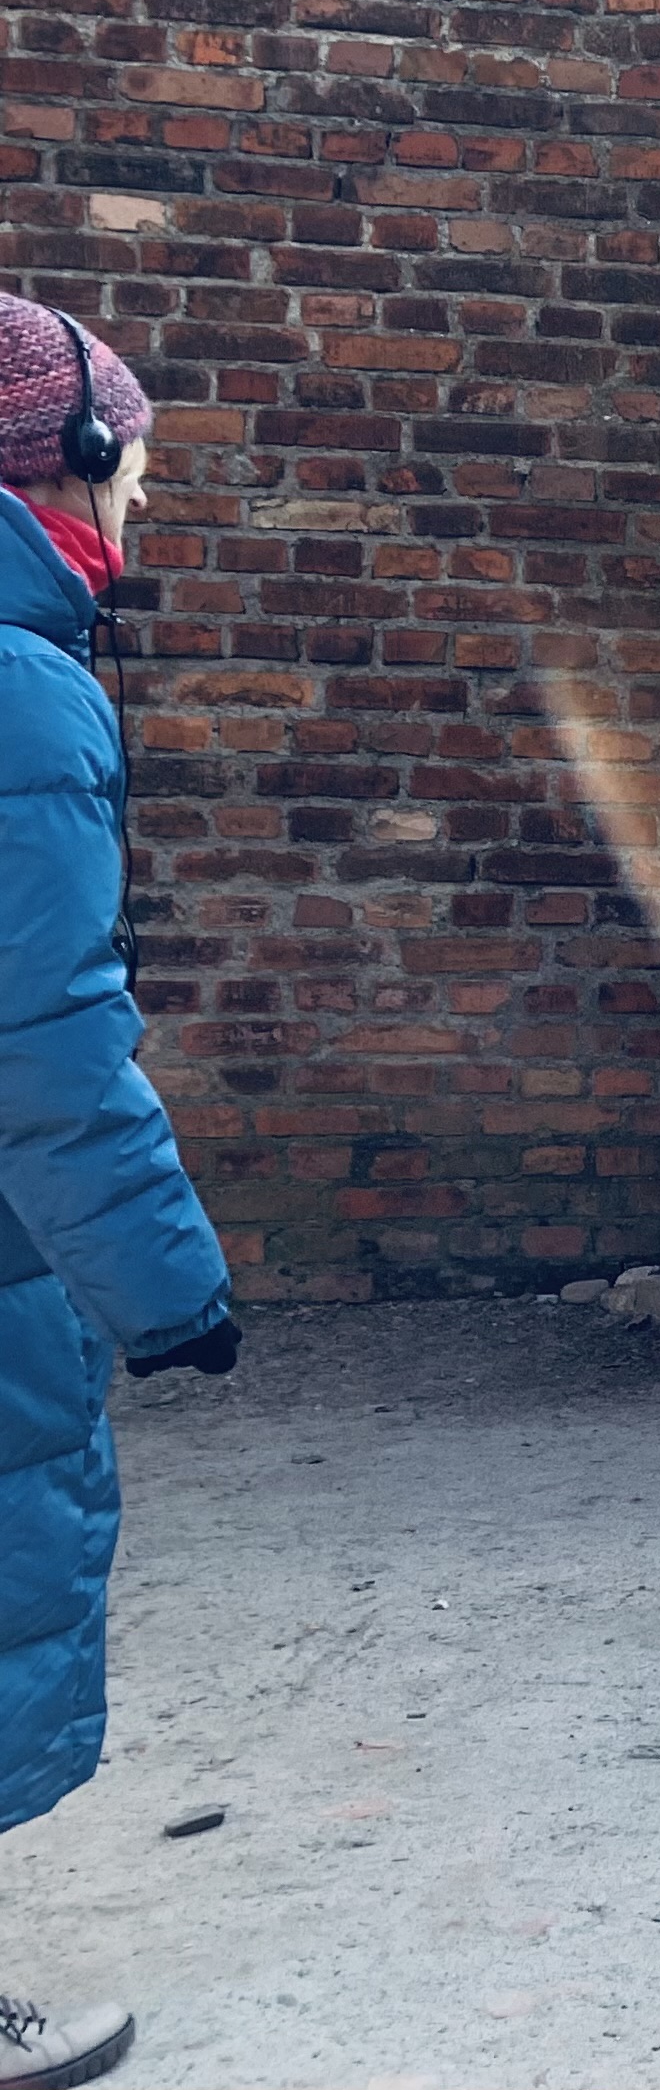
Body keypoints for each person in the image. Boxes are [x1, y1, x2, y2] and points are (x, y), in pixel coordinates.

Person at [0, 295, 236, 2090]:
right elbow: (48, 1042)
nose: (143, 498)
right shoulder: (22, 696)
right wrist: (171, 1295)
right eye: (133, 461)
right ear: (66, 461)